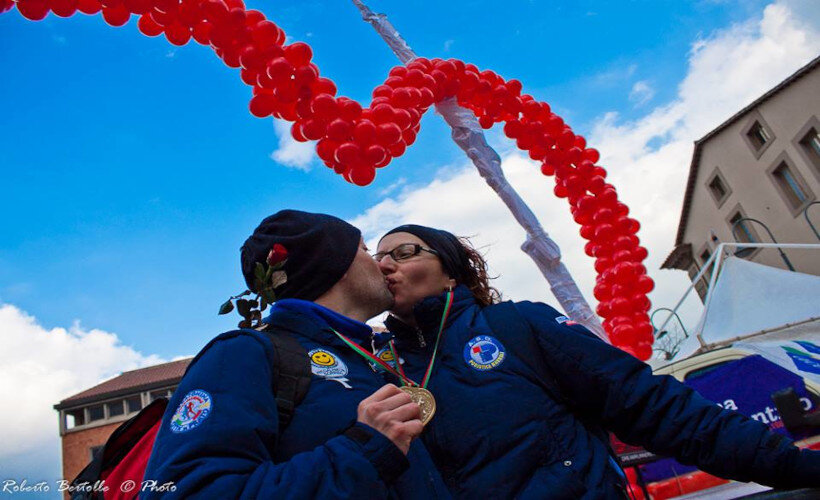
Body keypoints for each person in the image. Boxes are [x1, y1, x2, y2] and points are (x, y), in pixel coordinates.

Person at [374, 224, 820, 499]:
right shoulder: (376, 368)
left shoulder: (517, 325)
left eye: (404, 252)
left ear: (451, 270)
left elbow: (655, 408)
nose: (385, 264)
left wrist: (790, 465)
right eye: (378, 257)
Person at [143, 211, 450, 499]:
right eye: (365, 250)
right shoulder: (241, 353)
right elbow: (187, 490)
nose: (381, 265)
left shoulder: (371, 357)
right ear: (336, 265)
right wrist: (364, 448)